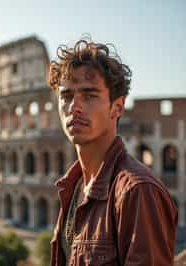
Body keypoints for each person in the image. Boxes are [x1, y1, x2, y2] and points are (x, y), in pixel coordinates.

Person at [49, 38, 178, 266]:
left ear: (117, 107)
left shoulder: (138, 192)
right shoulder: (73, 185)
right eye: (66, 96)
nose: (74, 107)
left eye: (89, 95)